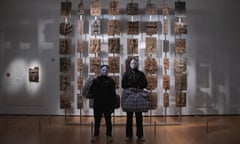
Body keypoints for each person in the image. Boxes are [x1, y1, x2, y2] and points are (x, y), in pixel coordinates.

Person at [121, 58, 148, 142]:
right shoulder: (126, 74)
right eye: (132, 63)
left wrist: (139, 87)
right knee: (129, 117)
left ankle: (140, 135)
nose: (133, 64)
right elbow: (123, 85)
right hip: (129, 95)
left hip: (139, 95)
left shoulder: (141, 74)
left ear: (137, 64)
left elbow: (145, 84)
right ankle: (128, 135)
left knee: (139, 117)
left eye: (135, 63)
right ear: (130, 64)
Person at [89, 65, 116, 142]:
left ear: (108, 71)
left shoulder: (111, 81)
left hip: (107, 104)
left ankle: (109, 135)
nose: (105, 71)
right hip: (98, 104)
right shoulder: (96, 80)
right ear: (101, 71)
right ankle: (96, 135)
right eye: (103, 70)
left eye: (106, 70)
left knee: (108, 120)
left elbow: (113, 94)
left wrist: (113, 105)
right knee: (97, 120)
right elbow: (91, 91)